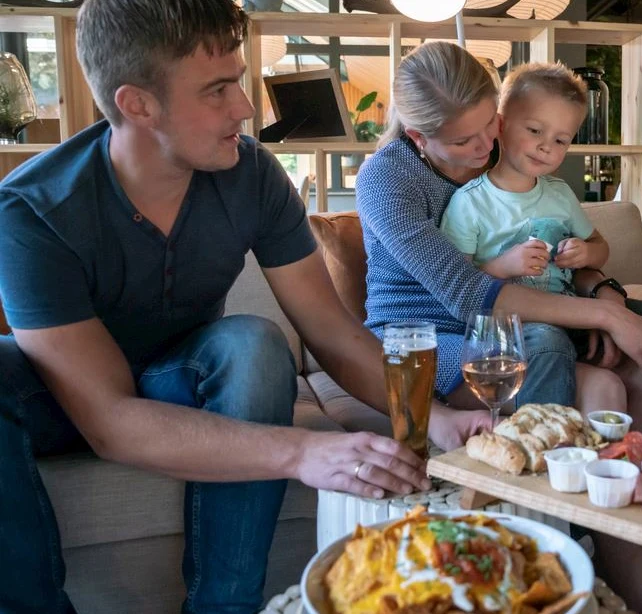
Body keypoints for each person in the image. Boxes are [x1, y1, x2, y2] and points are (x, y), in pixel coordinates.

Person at [0, 1, 490, 612]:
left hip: (176, 377)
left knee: (255, 342)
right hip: (62, 395)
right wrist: (303, 451)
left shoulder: (250, 173)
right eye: (218, 89)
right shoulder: (32, 211)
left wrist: (434, 418)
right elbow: (108, 420)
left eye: (238, 80)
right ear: (137, 104)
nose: (246, 106)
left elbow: (331, 331)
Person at [356, 44, 642, 614]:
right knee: (565, 350)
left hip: (522, 310)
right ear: (418, 137)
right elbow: (472, 293)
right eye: (463, 141)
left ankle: (639, 534)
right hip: (429, 332)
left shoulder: (508, 149)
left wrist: (603, 292)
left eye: (489, 127)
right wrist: (605, 317)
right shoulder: (387, 180)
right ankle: (548, 533)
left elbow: (556, 244)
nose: (484, 148)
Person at [440, 62, 642, 437]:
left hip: (574, 311)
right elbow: (461, 285)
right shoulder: (470, 202)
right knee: (551, 343)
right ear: (502, 125)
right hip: (517, 326)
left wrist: (586, 255)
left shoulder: (558, 193)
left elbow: (599, 247)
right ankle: (546, 440)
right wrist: (503, 264)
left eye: (560, 139)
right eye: (535, 130)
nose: (546, 146)